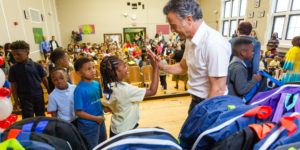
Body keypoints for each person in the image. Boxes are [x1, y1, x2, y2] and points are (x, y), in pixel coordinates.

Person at [149, 0, 231, 113]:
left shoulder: (214, 43)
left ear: (188, 19)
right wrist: (162, 66)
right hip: (196, 101)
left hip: (210, 105)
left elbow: (218, 90)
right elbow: (182, 67)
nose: (172, 31)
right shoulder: (190, 39)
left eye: (173, 25)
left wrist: (205, 117)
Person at [100, 55, 158, 137]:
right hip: (126, 132)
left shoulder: (108, 87)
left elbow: (106, 109)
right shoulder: (126, 89)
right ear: (116, 71)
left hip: (115, 129)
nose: (127, 67)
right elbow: (152, 91)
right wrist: (155, 68)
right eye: (124, 65)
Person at [9, 40, 49, 119]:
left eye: (18, 54)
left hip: (38, 96)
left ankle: (41, 131)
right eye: (13, 55)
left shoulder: (37, 66)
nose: (15, 57)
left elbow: (45, 80)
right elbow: (13, 86)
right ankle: (28, 131)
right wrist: (16, 101)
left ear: (27, 53)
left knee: (41, 116)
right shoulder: (13, 69)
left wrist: (50, 92)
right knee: (27, 117)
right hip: (24, 98)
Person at [73, 57, 106, 149]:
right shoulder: (79, 90)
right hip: (88, 125)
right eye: (88, 69)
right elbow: (78, 112)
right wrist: (95, 118)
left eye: (93, 67)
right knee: (92, 146)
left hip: (100, 120)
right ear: (79, 73)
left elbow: (97, 101)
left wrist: (106, 107)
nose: (93, 71)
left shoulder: (96, 84)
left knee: (102, 144)